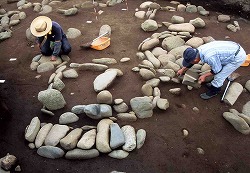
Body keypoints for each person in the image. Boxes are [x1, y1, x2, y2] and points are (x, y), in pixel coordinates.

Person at [177, 40, 246, 100]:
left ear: (195, 60)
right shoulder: (197, 51)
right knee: (218, 67)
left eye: (190, 61)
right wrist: (183, 69)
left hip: (237, 57)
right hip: (230, 50)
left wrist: (204, 76)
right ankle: (214, 85)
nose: (189, 63)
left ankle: (215, 91)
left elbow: (217, 70)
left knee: (219, 76)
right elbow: (192, 62)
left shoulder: (209, 57)